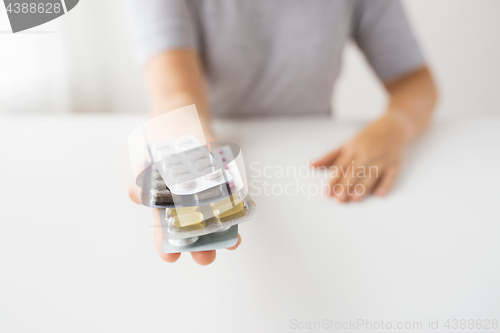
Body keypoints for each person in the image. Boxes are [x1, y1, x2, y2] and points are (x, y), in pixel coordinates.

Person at [127, 0, 438, 265]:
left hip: (318, 177)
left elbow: (417, 83)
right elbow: (175, 92)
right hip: (227, 149)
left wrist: (393, 126)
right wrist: (182, 140)